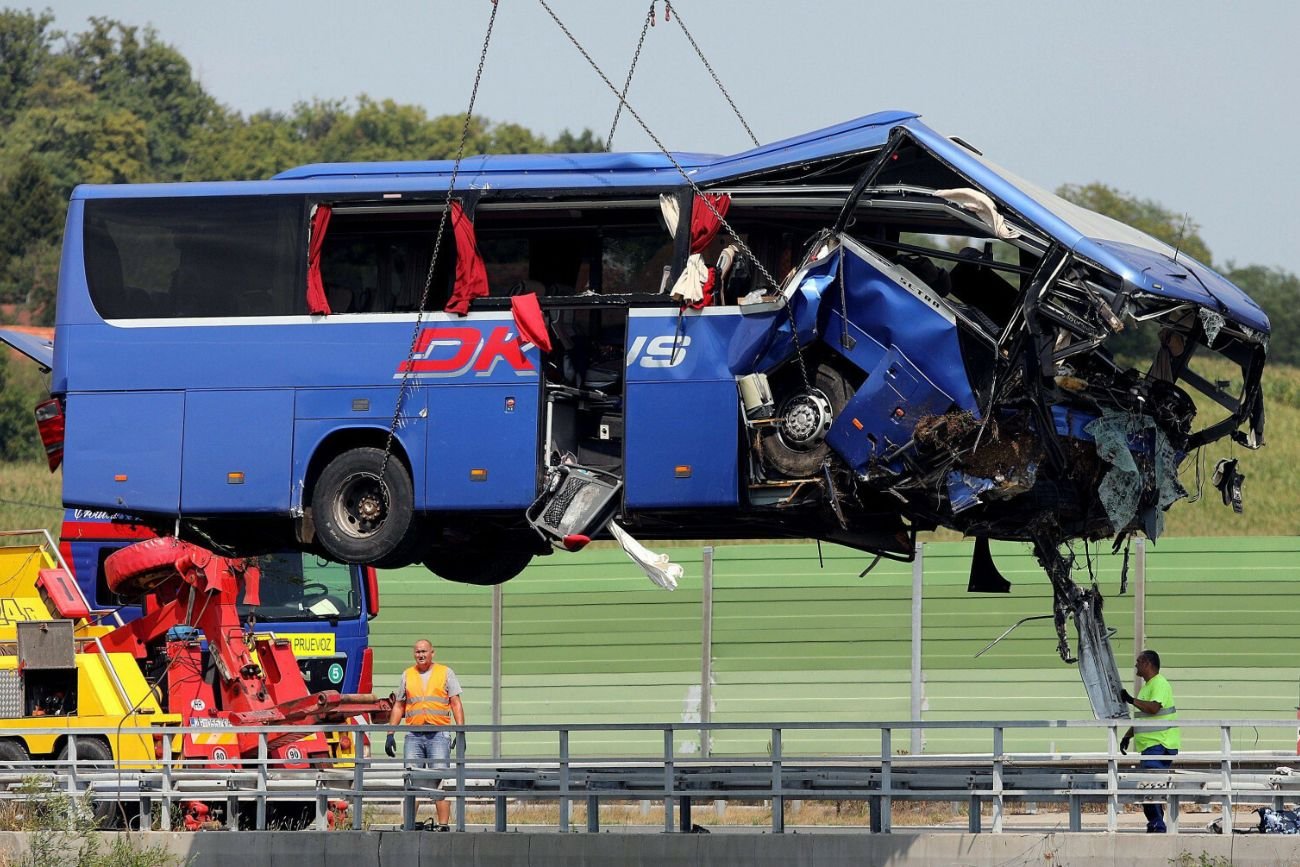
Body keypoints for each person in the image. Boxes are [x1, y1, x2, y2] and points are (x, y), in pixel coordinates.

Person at [385, 639, 465, 831]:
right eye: (418, 652)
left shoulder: (445, 673)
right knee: (412, 780)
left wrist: (461, 732)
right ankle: (410, 825)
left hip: (438, 734)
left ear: (432, 653)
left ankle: (444, 825)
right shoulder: (407, 675)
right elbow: (399, 705)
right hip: (414, 735)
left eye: (424, 651)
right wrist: (390, 734)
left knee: (439, 779)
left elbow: (455, 703)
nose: (421, 655)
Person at [1119, 649, 1180, 833]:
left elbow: (1153, 708)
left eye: (1139, 661)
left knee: (1150, 784)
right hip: (1151, 746)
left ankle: (1158, 824)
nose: (1136, 665)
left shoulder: (1159, 684)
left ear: (1148, 664)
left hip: (1159, 744)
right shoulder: (1147, 686)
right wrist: (1128, 736)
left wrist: (1130, 699)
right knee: (1150, 784)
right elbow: (1142, 718)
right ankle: (1156, 823)